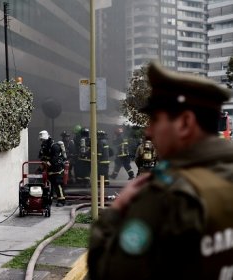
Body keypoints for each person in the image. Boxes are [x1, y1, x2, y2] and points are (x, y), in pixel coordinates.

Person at [87, 61, 233, 280]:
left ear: (185, 123)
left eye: (156, 120)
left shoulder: (164, 196)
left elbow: (108, 271)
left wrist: (116, 211)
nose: (149, 130)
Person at [38, 130, 66, 207]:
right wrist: (42, 164)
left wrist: (49, 162)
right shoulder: (44, 147)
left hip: (57, 169)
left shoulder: (55, 146)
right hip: (48, 169)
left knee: (57, 184)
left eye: (43, 140)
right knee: (48, 185)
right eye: (41, 140)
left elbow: (56, 157)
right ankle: (48, 199)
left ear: (47, 139)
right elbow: (41, 156)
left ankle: (61, 200)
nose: (42, 141)